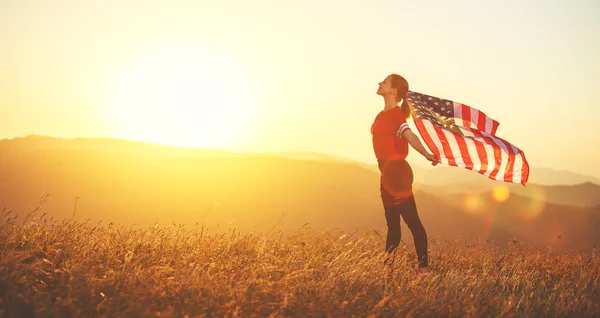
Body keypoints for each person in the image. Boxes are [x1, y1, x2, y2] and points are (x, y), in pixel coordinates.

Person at [372, 73, 438, 275]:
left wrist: (427, 153)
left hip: (398, 174)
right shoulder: (381, 115)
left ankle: (423, 269)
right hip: (386, 174)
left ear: (392, 91)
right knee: (392, 225)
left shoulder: (396, 116)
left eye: (384, 82)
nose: (379, 83)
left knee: (412, 221)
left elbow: (410, 136)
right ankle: (387, 270)